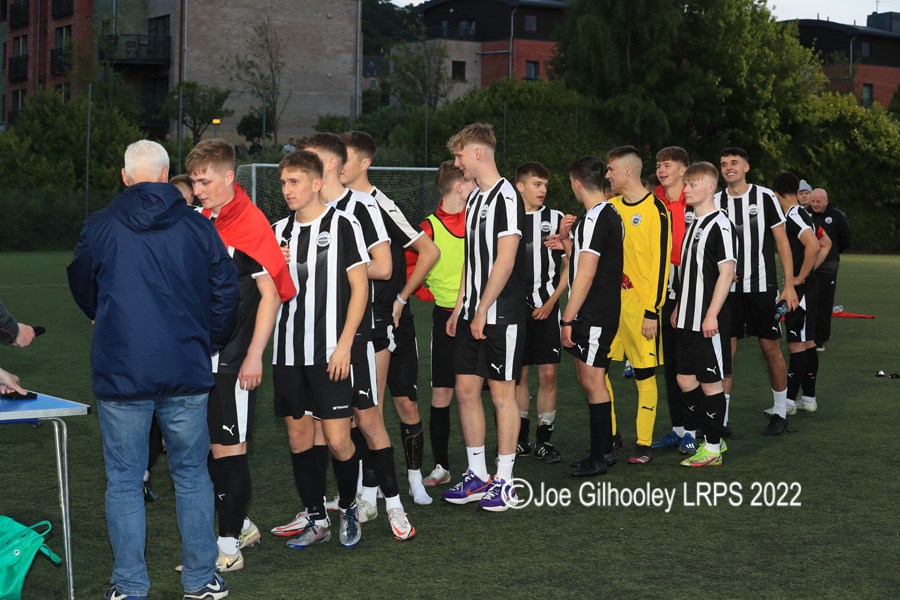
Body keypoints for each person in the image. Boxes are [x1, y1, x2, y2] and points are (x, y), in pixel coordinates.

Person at [67, 139, 239, 600]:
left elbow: (84, 286)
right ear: (166, 176)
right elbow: (226, 292)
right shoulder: (198, 227)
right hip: (184, 366)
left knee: (125, 480)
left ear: (126, 177)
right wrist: (207, 342)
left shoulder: (100, 225)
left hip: (123, 369)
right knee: (190, 474)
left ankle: (129, 586)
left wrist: (107, 319)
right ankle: (200, 580)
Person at [280, 133, 416, 540]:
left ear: (331, 166)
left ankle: (393, 504)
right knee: (321, 427)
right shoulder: (298, 214)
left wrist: (332, 268)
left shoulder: (360, 208)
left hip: (364, 330)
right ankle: (328, 507)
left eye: (314, 159)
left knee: (368, 418)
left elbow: (385, 267)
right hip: (312, 339)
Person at [187, 139, 296, 572]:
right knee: (206, 452)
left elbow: (272, 295)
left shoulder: (250, 224)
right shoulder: (201, 219)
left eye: (205, 180)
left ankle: (229, 549)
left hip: (233, 360)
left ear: (229, 177)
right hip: (197, 357)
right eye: (193, 181)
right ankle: (242, 525)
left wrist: (254, 355)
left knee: (229, 450)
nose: (197, 189)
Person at [269, 150, 369, 549]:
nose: (287, 190)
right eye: (283, 183)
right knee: (298, 437)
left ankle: (347, 508)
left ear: (315, 183)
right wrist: (275, 269)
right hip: (288, 352)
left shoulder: (343, 225)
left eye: (294, 182)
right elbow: (266, 295)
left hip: (331, 352)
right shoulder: (276, 233)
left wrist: (345, 345)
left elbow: (361, 288)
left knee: (339, 439)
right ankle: (314, 517)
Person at [340, 131, 441, 505]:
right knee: (364, 409)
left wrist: (401, 297)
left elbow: (429, 252)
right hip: (359, 321)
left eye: (344, 158)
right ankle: (368, 490)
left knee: (404, 404)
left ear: (364, 163)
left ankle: (413, 479)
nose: (336, 165)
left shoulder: (380, 203)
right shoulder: (334, 205)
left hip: (392, 319)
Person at [441, 123, 525, 512]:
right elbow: (470, 262)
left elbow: (505, 261)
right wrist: (461, 306)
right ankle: (476, 476)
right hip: (474, 312)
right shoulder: (474, 200)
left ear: (477, 153)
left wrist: (481, 310)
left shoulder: (508, 196)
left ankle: (505, 481)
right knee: (466, 391)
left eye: (459, 155)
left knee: (503, 396)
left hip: (501, 315)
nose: (456, 163)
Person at [715, 147, 798, 436]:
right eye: (724, 164)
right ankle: (721, 420)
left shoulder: (764, 197)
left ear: (746, 167)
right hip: (728, 290)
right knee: (726, 353)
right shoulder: (715, 201)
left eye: (734, 163)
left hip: (762, 288)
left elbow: (782, 243)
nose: (728, 168)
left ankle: (779, 412)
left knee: (770, 348)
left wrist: (789, 286)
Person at [406, 161, 473, 487]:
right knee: (442, 392)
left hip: (480, 315)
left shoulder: (479, 221)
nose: (475, 185)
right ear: (458, 185)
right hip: (445, 317)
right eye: (471, 181)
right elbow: (407, 267)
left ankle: (494, 465)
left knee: (491, 390)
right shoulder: (428, 228)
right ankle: (442, 466)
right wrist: (428, 294)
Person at [556, 156, 623, 476]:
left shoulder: (599, 217)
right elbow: (581, 261)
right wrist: (567, 240)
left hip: (594, 312)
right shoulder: (596, 216)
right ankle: (602, 447)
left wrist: (567, 318)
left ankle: (601, 454)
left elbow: (585, 275)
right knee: (588, 379)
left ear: (577, 183)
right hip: (593, 310)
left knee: (594, 381)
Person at [606, 146, 672, 464]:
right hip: (609, 303)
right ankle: (611, 433)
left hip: (640, 305)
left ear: (628, 171)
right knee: (596, 368)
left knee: (644, 376)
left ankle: (643, 444)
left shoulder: (656, 210)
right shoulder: (611, 205)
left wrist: (652, 311)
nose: (607, 176)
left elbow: (661, 266)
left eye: (611, 170)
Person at [671, 162, 736, 467]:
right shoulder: (692, 222)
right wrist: (678, 307)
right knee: (685, 379)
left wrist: (711, 315)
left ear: (711, 187)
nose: (687, 189)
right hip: (685, 318)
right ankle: (712, 436)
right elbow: (689, 273)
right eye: (686, 185)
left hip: (708, 321)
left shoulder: (720, 224)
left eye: (693, 185)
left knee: (712, 384)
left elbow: (726, 273)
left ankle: (712, 447)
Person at [513, 161, 567, 463]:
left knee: (547, 374)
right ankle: (520, 439)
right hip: (513, 311)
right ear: (520, 186)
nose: (543, 190)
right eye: (537, 184)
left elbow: (571, 266)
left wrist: (551, 303)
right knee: (518, 377)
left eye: (545, 185)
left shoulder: (556, 218)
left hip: (547, 306)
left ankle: (544, 440)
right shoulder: (506, 218)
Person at [650, 146, 701, 454]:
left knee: (689, 368)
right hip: (664, 296)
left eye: (667, 164)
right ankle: (679, 429)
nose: (661, 169)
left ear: (683, 170)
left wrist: (684, 297)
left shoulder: (693, 201)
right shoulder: (655, 201)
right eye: (658, 164)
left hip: (690, 294)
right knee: (670, 366)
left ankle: (696, 431)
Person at [770, 173, 831, 414]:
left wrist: (800, 277)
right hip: (807, 286)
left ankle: (788, 403)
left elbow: (815, 245)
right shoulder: (802, 214)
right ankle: (807, 398)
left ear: (776, 195)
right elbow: (825, 244)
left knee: (797, 344)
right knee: (806, 343)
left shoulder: (794, 215)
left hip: (803, 288)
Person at [808, 187, 851, 351]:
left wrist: (831, 255)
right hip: (809, 267)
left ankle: (820, 339)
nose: (815, 204)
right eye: (813, 201)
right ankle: (807, 335)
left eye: (818, 201)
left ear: (826, 201)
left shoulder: (837, 216)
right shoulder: (805, 214)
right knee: (808, 302)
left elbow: (846, 240)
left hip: (828, 268)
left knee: (825, 304)